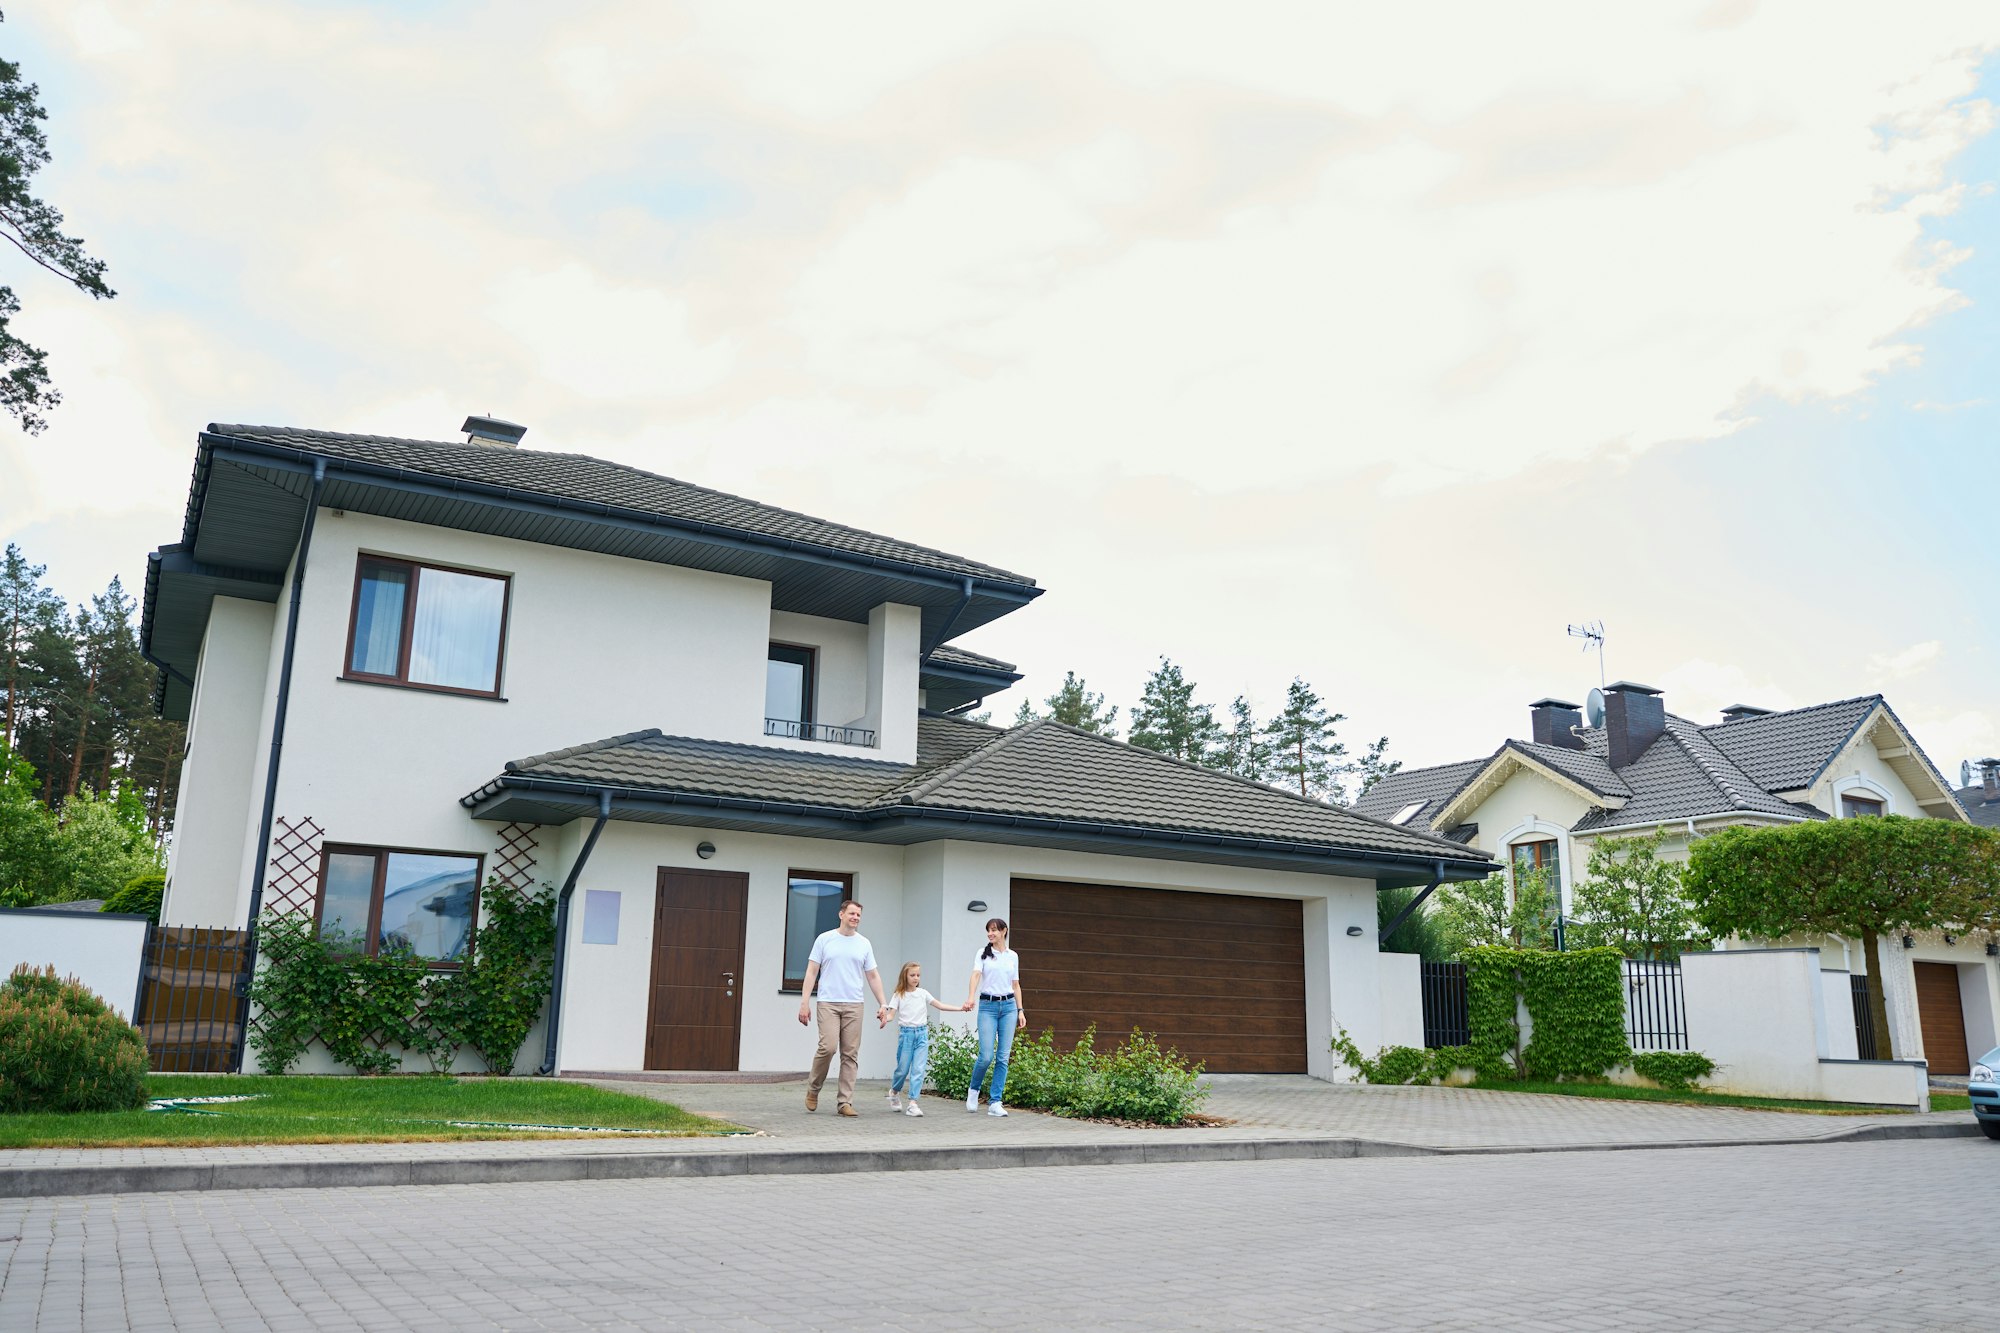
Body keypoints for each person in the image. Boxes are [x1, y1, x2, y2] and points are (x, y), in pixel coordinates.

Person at [796, 899, 890, 1117]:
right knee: (828, 1047)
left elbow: (873, 976)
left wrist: (883, 1004)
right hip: (828, 1002)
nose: (855, 918)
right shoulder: (825, 939)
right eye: (852, 913)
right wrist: (804, 1002)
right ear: (841, 915)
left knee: (850, 1054)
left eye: (858, 915)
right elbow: (811, 972)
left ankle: (844, 1102)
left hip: (854, 1004)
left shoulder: (864, 944)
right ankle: (813, 1089)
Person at [879, 962, 968, 1115]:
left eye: (918, 975)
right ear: (905, 976)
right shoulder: (898, 995)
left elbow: (939, 1005)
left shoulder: (923, 993)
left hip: (922, 1034)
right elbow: (892, 1015)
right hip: (906, 1035)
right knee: (902, 1069)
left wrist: (960, 1008)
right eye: (912, 975)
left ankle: (913, 1103)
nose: (915, 978)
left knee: (918, 1069)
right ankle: (894, 1091)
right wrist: (885, 1018)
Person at [962, 917, 1025, 1117]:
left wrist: (1020, 1010)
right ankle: (973, 1090)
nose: (990, 934)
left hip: (1008, 1007)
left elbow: (1015, 985)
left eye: (994, 930)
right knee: (986, 1055)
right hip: (987, 1007)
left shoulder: (1012, 956)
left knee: (1003, 1057)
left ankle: (995, 1102)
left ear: (1004, 931)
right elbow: (975, 976)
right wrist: (971, 997)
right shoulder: (982, 954)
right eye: (988, 931)